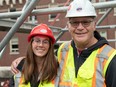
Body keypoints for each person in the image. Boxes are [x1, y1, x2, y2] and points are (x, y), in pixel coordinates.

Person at [11, 0, 116, 87]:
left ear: (94, 25)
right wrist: (23, 60)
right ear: (68, 26)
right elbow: (43, 59)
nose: (80, 27)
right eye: (74, 22)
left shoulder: (109, 59)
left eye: (86, 22)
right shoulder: (63, 50)